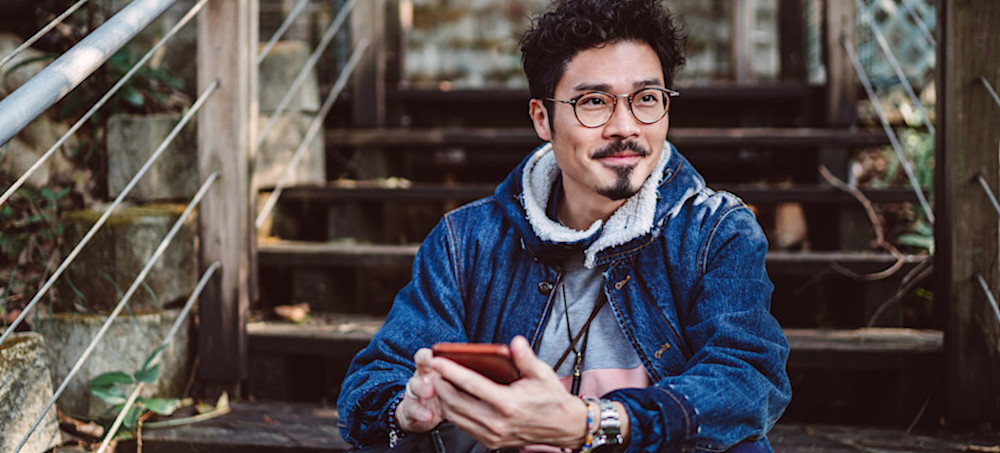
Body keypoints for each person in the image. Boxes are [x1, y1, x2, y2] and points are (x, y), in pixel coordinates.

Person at [337, 0, 792, 451]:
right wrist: (407, 412)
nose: (624, 126)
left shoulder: (715, 232)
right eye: (594, 102)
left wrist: (594, 423)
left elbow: (748, 377)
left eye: (647, 99)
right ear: (542, 118)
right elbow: (373, 384)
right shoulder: (465, 242)